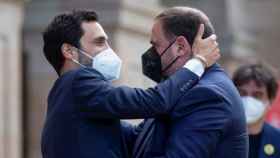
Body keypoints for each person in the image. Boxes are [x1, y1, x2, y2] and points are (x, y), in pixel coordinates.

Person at [41, 10, 219, 158]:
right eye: (99, 42)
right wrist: (198, 62)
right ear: (69, 51)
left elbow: (135, 137)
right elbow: (152, 102)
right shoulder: (78, 82)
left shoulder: (68, 98)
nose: (108, 50)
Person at [80, 7, 248, 158]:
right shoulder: (184, 86)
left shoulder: (208, 94)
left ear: (180, 47)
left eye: (156, 45)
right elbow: (141, 139)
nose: (150, 54)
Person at [233, 63, 280, 158]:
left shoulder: (277, 140)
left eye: (257, 95)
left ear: (270, 101)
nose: (248, 100)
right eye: (242, 93)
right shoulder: (215, 137)